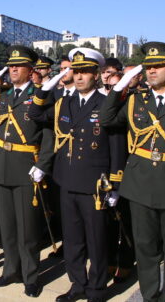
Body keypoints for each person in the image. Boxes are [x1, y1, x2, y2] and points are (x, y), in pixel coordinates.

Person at [99, 41, 165, 302]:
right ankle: (149, 295)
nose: (152, 71)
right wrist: (121, 85)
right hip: (140, 184)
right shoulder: (136, 101)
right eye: (148, 67)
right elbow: (106, 118)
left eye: (158, 66)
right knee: (145, 247)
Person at [29, 48, 126, 302]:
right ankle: (77, 284)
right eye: (76, 71)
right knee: (72, 241)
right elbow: (36, 114)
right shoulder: (64, 102)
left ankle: (96, 289)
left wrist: (114, 184)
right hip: (66, 180)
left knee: (96, 241)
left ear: (96, 75)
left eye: (85, 72)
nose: (80, 77)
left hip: (95, 185)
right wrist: (47, 84)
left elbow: (117, 145)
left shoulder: (106, 104)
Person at [0, 45, 54, 298]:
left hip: (26, 166)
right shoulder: (2, 96)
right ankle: (11, 271)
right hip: (2, 165)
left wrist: (43, 165)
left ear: (30, 70)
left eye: (18, 66)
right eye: (10, 66)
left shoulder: (41, 95)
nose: (13, 69)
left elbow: (50, 135)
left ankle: (31, 276)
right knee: (7, 227)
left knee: (27, 229)